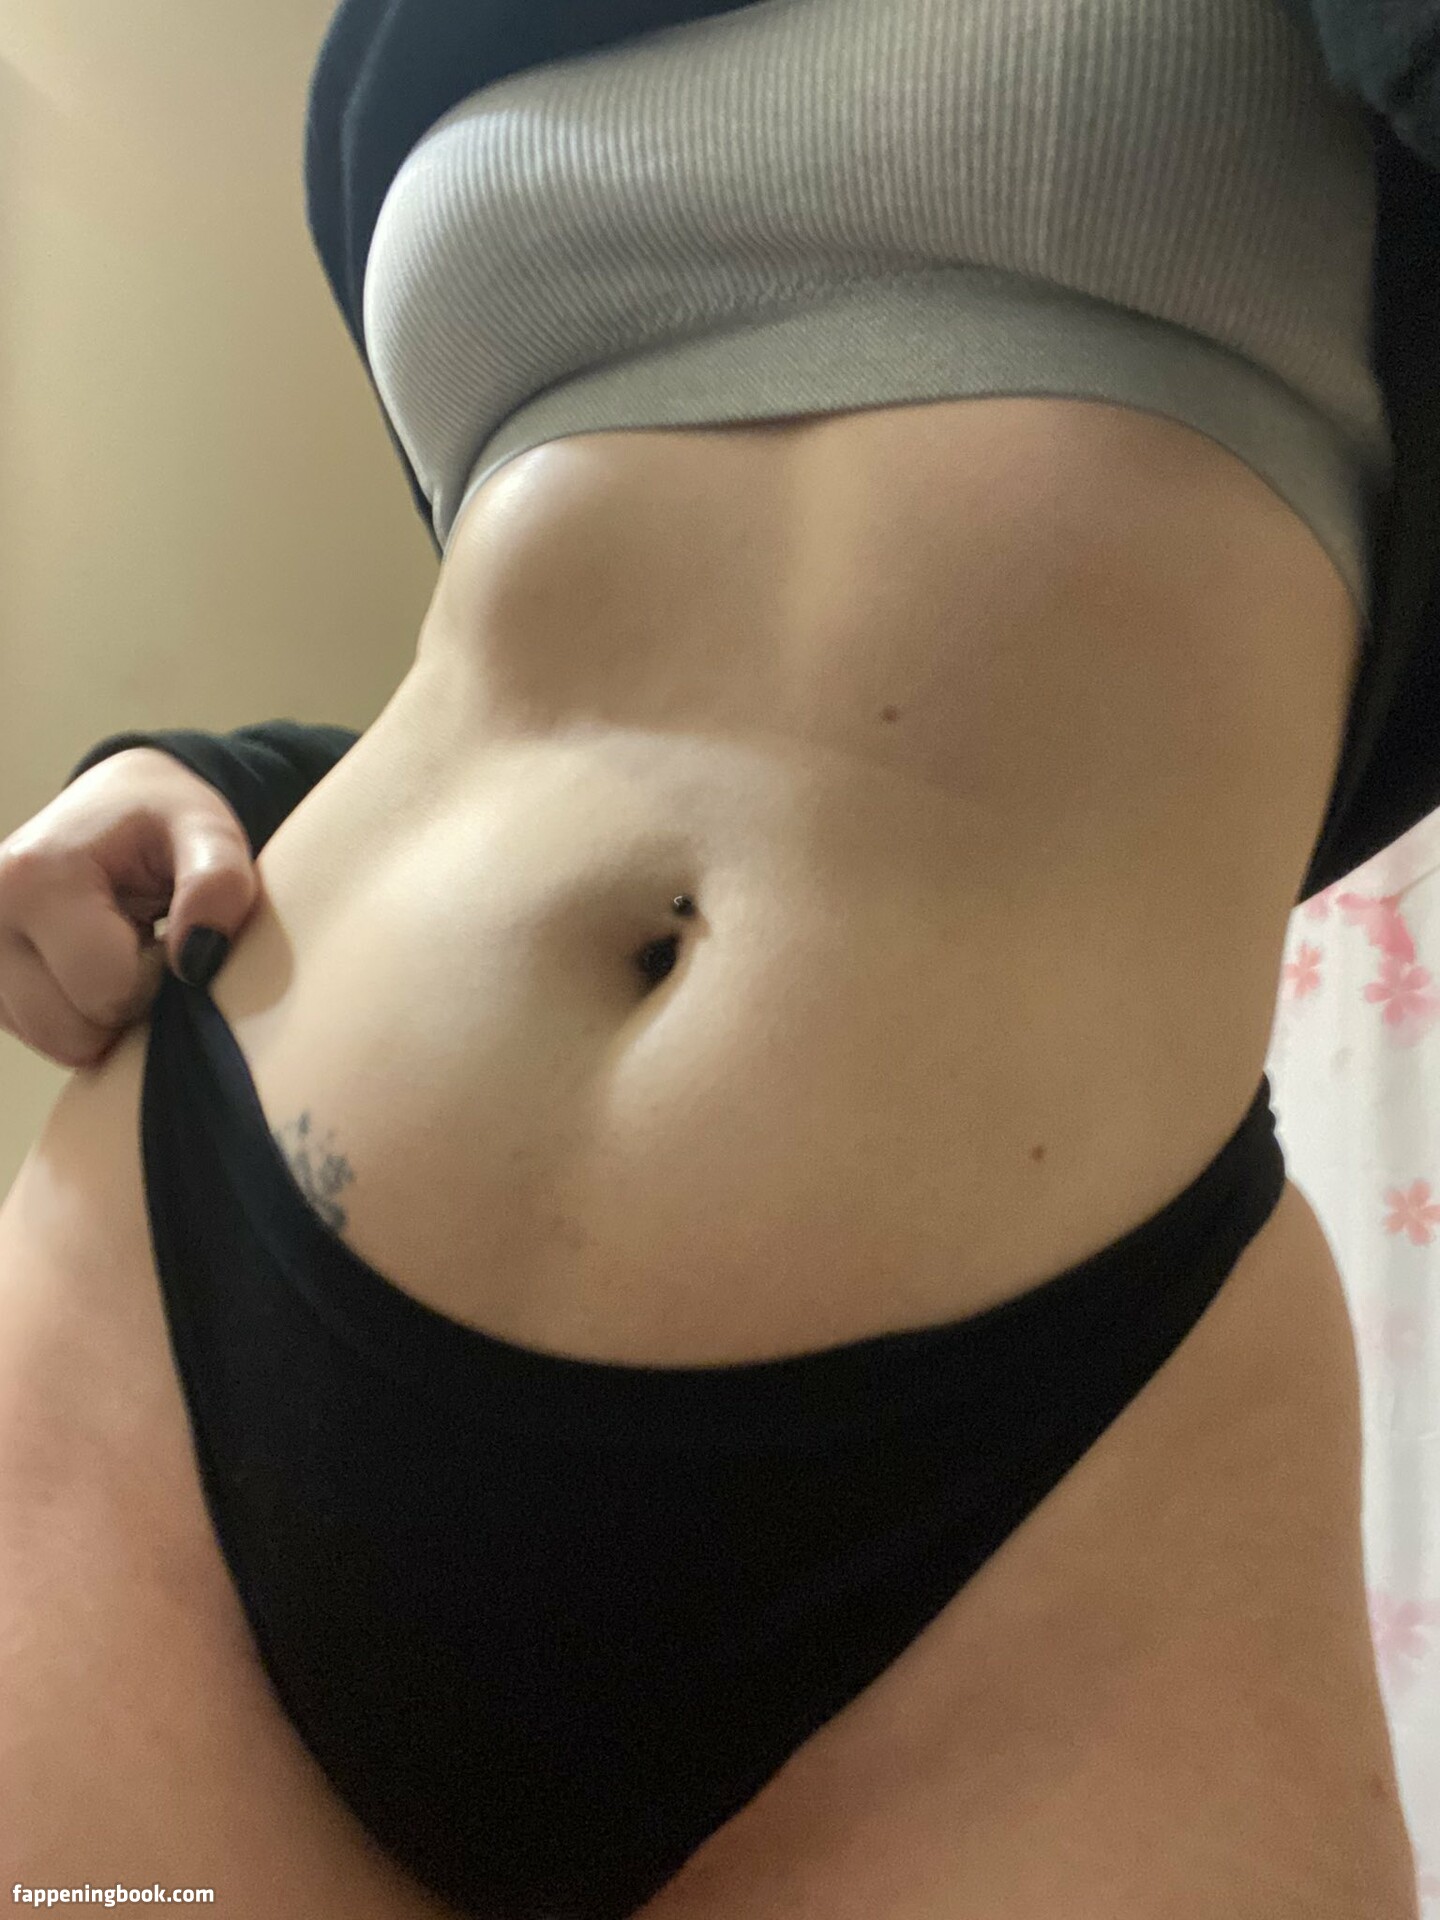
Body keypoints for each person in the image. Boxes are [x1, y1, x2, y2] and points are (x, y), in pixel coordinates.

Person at [0, 0, 1433, 1914]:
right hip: (196, 1293)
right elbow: (589, 658)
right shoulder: (425, 43)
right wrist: (223, 783)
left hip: (1048, 1473)